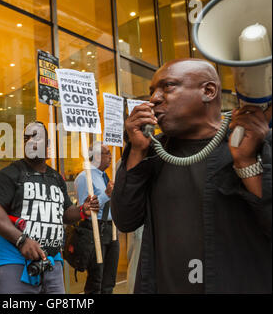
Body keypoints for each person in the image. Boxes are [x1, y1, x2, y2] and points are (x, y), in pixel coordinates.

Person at [111, 58, 272, 293]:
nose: (154, 98)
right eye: (152, 91)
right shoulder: (154, 152)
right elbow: (125, 219)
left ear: (208, 91)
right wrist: (137, 151)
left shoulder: (255, 141)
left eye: (167, 87)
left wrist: (246, 162)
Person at [0, 121, 100, 294]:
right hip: (15, 264)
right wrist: (22, 240)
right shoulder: (9, 174)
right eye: (27, 138)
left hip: (52, 264)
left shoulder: (55, 177)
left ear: (48, 144)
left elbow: (65, 213)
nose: (31, 142)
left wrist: (82, 210)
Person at [74, 141, 119, 294]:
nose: (111, 156)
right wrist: (106, 195)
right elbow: (86, 209)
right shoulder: (84, 177)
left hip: (111, 229)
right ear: (98, 156)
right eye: (108, 153)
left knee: (109, 278)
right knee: (96, 280)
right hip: (96, 229)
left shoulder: (104, 176)